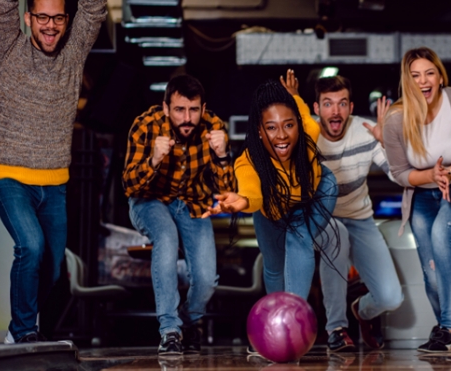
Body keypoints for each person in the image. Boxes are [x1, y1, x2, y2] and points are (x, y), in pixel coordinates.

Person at [0, 0, 107, 344]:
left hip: (55, 183)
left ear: (67, 20)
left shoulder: (74, 53)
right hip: (9, 176)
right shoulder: (9, 46)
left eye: (57, 17)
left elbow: (95, 8)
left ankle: (16, 330)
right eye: (42, 17)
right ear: (28, 18)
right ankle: (26, 331)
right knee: (32, 246)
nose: (50, 25)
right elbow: (1, 7)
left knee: (52, 269)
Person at [382, 46, 451, 353]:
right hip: (422, 195)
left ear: (440, 76)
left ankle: (450, 331)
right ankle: (447, 331)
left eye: (429, 73)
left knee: (443, 237)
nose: (423, 81)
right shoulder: (395, 119)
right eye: (415, 76)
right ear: (407, 81)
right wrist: (431, 176)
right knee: (430, 270)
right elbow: (401, 172)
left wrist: (449, 175)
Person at [123, 74, 236, 355]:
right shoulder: (144, 125)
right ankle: (170, 330)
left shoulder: (214, 127)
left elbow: (227, 193)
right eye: (179, 110)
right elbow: (129, 185)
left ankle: (188, 321)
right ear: (165, 108)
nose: (187, 118)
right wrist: (154, 161)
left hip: (192, 204)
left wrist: (222, 157)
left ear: (203, 107)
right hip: (149, 201)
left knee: (207, 279)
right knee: (166, 237)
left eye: (194, 110)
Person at [202, 75, 338, 302]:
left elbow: (303, 113)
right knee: (274, 266)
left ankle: (293, 312)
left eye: (289, 125)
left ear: (297, 124)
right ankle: (276, 314)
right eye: (271, 128)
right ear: (259, 130)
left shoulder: (309, 131)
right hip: (270, 211)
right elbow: (251, 191)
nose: (282, 135)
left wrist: (294, 95)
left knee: (299, 237)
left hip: (311, 198)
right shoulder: (248, 161)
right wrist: (244, 201)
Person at [298, 73, 404, 352]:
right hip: (324, 218)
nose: (336, 110)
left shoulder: (365, 130)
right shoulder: (307, 136)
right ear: (316, 108)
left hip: (361, 219)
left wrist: (386, 140)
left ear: (351, 107)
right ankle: (336, 328)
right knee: (338, 236)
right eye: (328, 104)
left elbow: (397, 175)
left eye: (342, 103)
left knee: (390, 298)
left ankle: (361, 310)